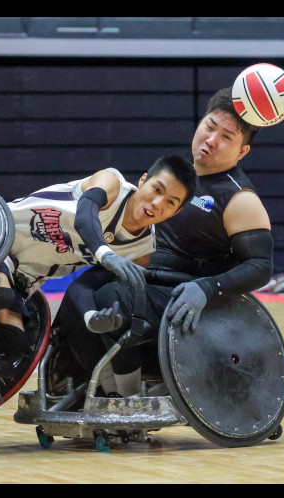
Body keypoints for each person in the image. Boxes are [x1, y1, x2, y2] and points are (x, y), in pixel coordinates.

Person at [53, 87, 272, 397]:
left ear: (242, 152)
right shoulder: (178, 179)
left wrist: (208, 287)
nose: (211, 140)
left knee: (113, 297)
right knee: (78, 293)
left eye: (227, 137)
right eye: (210, 127)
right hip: (145, 276)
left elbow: (261, 267)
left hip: (182, 293)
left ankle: (127, 399)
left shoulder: (239, 198)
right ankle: (88, 389)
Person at [0, 156, 197, 372]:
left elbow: (86, 284)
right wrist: (106, 253)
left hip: (21, 276)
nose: (157, 203)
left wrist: (92, 315)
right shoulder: (112, 183)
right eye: (157, 189)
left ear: (175, 213)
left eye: (170, 202)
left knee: (15, 343)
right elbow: (85, 215)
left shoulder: (140, 252)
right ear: (143, 181)